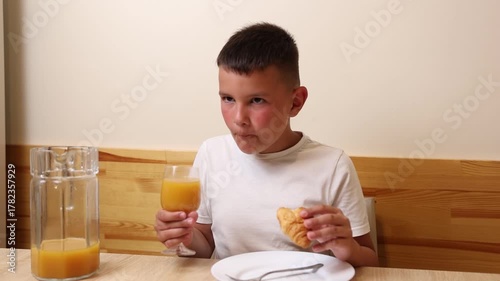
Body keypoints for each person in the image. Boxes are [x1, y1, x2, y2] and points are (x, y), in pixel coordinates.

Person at [155, 22, 379, 267]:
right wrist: (185, 238)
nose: (239, 119)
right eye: (228, 99)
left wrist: (346, 247)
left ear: (295, 102)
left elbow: (370, 262)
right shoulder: (212, 154)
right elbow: (205, 243)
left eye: (257, 100)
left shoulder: (332, 165)